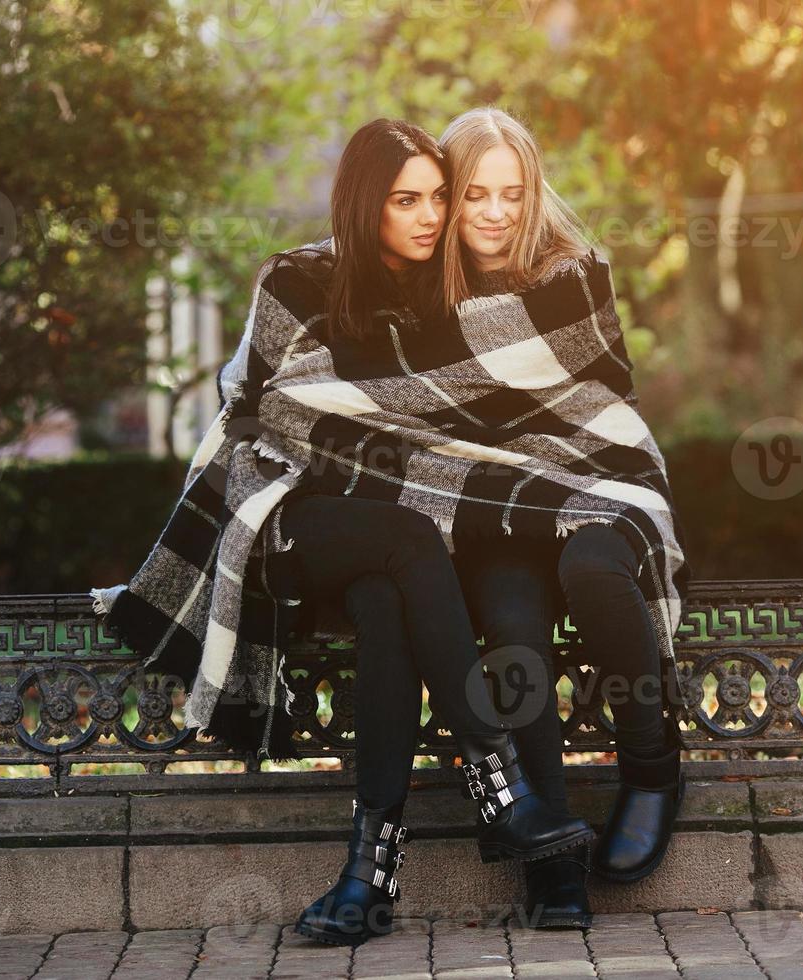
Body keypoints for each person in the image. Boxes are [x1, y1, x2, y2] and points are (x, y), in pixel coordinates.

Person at [193, 118, 595, 947]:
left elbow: (434, 436)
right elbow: (258, 407)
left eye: (437, 198)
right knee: (406, 541)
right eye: (406, 200)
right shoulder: (298, 281)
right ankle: (500, 791)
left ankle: (367, 882)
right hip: (282, 515)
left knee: (387, 596)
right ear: (365, 203)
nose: (428, 215)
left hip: (381, 537)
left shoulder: (438, 301)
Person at [435, 106, 689, 917]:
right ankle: (552, 855)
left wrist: (562, 476)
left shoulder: (574, 275)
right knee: (512, 627)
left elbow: (607, 407)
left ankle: (652, 768)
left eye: (513, 192)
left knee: (591, 570)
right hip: (493, 506)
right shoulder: (416, 299)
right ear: (448, 197)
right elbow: (410, 420)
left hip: (596, 482)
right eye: (476, 194)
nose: (498, 213)